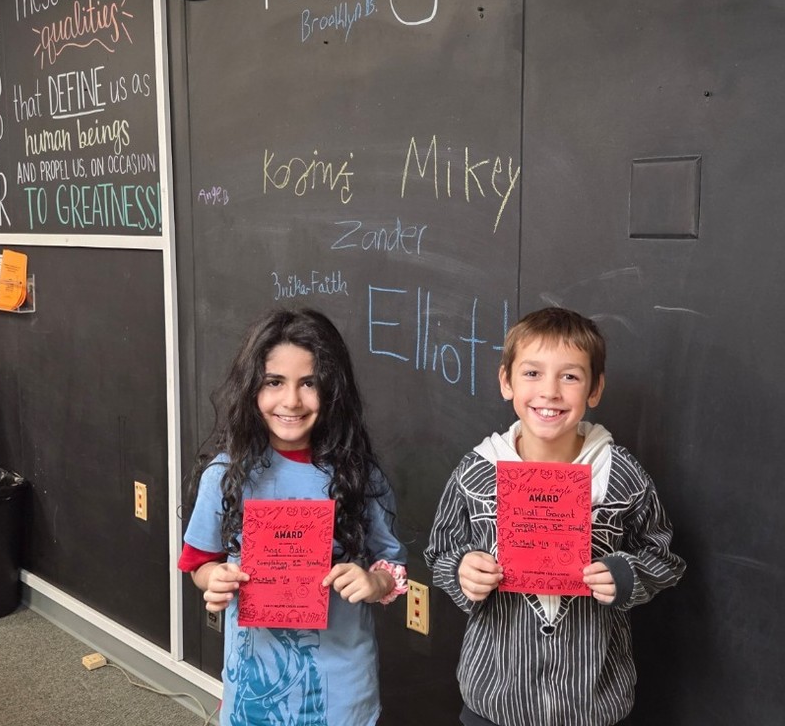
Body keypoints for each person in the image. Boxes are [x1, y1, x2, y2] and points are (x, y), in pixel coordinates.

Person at [425, 306, 685, 726]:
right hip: (494, 702)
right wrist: (461, 571)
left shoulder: (621, 475)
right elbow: (439, 553)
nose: (550, 391)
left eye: (570, 376)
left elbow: (664, 557)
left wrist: (627, 575)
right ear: (506, 381)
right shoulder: (475, 472)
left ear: (594, 389)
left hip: (593, 703)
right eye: (532, 373)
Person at [179, 307, 408, 726]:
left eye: (309, 383)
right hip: (254, 691)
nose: (291, 401)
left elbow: (392, 566)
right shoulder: (225, 476)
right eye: (274, 383)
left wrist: (375, 582)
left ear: (332, 390)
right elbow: (200, 564)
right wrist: (214, 580)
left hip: (342, 691)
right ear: (252, 388)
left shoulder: (358, 475)